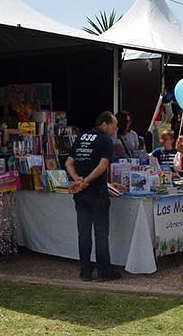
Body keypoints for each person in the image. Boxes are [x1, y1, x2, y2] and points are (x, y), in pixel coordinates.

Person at [65, 111, 120, 281]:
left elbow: (68, 163)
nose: (115, 129)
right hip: (97, 193)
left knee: (84, 234)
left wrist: (77, 179)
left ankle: (85, 272)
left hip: (81, 195)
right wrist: (87, 180)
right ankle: (104, 272)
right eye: (114, 125)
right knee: (101, 233)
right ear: (104, 124)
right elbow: (104, 164)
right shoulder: (105, 140)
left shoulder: (80, 138)